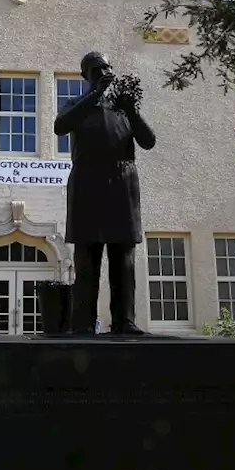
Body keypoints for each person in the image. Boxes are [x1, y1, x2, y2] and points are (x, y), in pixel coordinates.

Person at [54, 51, 157, 335]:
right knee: (87, 258)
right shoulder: (76, 104)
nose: (104, 72)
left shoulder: (122, 108)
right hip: (87, 183)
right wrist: (94, 95)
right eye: (96, 68)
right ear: (85, 75)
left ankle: (125, 321)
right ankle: (83, 324)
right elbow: (59, 127)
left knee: (123, 258)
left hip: (122, 184)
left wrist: (132, 109)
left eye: (107, 67)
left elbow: (148, 141)